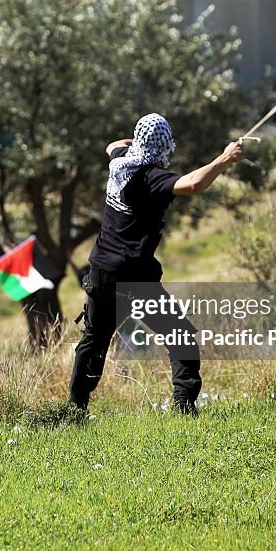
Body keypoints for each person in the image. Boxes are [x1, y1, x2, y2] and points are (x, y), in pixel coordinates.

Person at [69, 113, 244, 416]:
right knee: (181, 336)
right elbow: (192, 184)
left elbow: (113, 144)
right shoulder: (151, 178)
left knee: (94, 341)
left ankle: (76, 408)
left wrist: (136, 143)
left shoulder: (120, 163)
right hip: (134, 278)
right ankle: (183, 406)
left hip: (101, 272)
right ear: (164, 146)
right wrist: (224, 159)